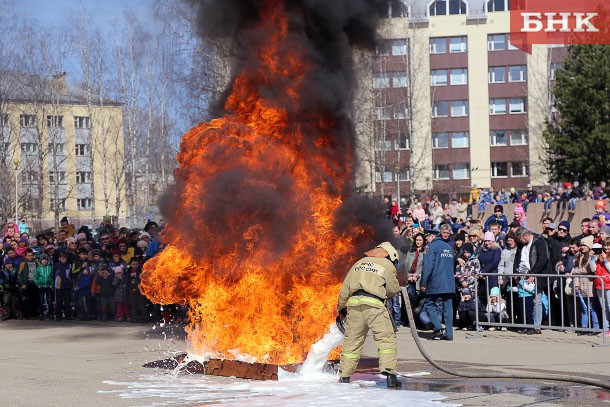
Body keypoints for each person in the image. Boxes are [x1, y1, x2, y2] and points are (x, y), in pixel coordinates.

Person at [337, 241, 401, 388]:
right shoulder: (387, 265)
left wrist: (341, 308)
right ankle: (390, 376)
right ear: (391, 256)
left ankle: (344, 376)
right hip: (375, 306)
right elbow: (392, 289)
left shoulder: (358, 263)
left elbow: (345, 288)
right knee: (386, 340)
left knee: (351, 342)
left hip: (353, 305)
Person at [421, 223, 455, 341]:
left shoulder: (431, 247)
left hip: (436, 281)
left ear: (432, 236)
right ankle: (449, 333)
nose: (426, 239)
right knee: (448, 307)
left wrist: (423, 282)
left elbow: (427, 266)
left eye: (427, 237)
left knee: (429, 303)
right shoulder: (449, 248)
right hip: (449, 282)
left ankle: (438, 328)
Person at [33, 254, 53, 320]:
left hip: (48, 286)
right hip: (41, 286)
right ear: (41, 261)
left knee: (49, 301)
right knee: (41, 301)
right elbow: (35, 277)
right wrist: (38, 284)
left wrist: (51, 284)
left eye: (46, 260)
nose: (44, 261)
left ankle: (49, 314)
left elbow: (52, 277)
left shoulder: (50, 268)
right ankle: (41, 314)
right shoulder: (38, 268)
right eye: (43, 260)